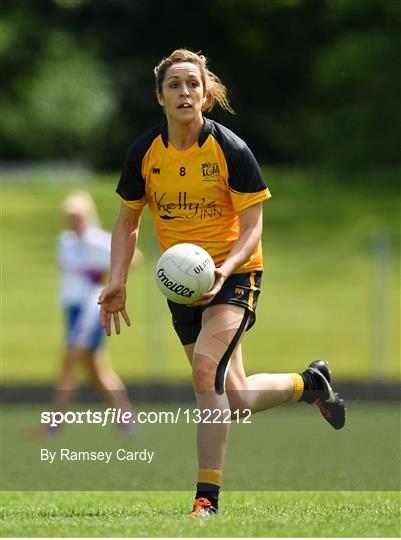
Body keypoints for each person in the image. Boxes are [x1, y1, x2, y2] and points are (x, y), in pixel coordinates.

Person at [98, 49, 346, 514]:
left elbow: (253, 225)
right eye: (174, 85)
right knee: (233, 397)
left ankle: (205, 500)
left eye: (192, 84)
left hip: (235, 273)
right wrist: (117, 281)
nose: (184, 92)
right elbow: (126, 222)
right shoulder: (144, 154)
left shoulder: (229, 148)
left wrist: (224, 270)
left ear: (206, 93)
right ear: (160, 97)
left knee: (202, 373)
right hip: (183, 286)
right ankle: (311, 384)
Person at [48, 190, 141, 434]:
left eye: (77, 217)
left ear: (87, 216)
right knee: (97, 372)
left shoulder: (98, 239)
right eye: (69, 217)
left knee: (68, 363)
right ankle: (126, 417)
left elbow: (135, 258)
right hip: (72, 308)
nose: (73, 222)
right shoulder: (65, 241)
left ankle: (55, 422)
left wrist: (109, 274)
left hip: (90, 309)